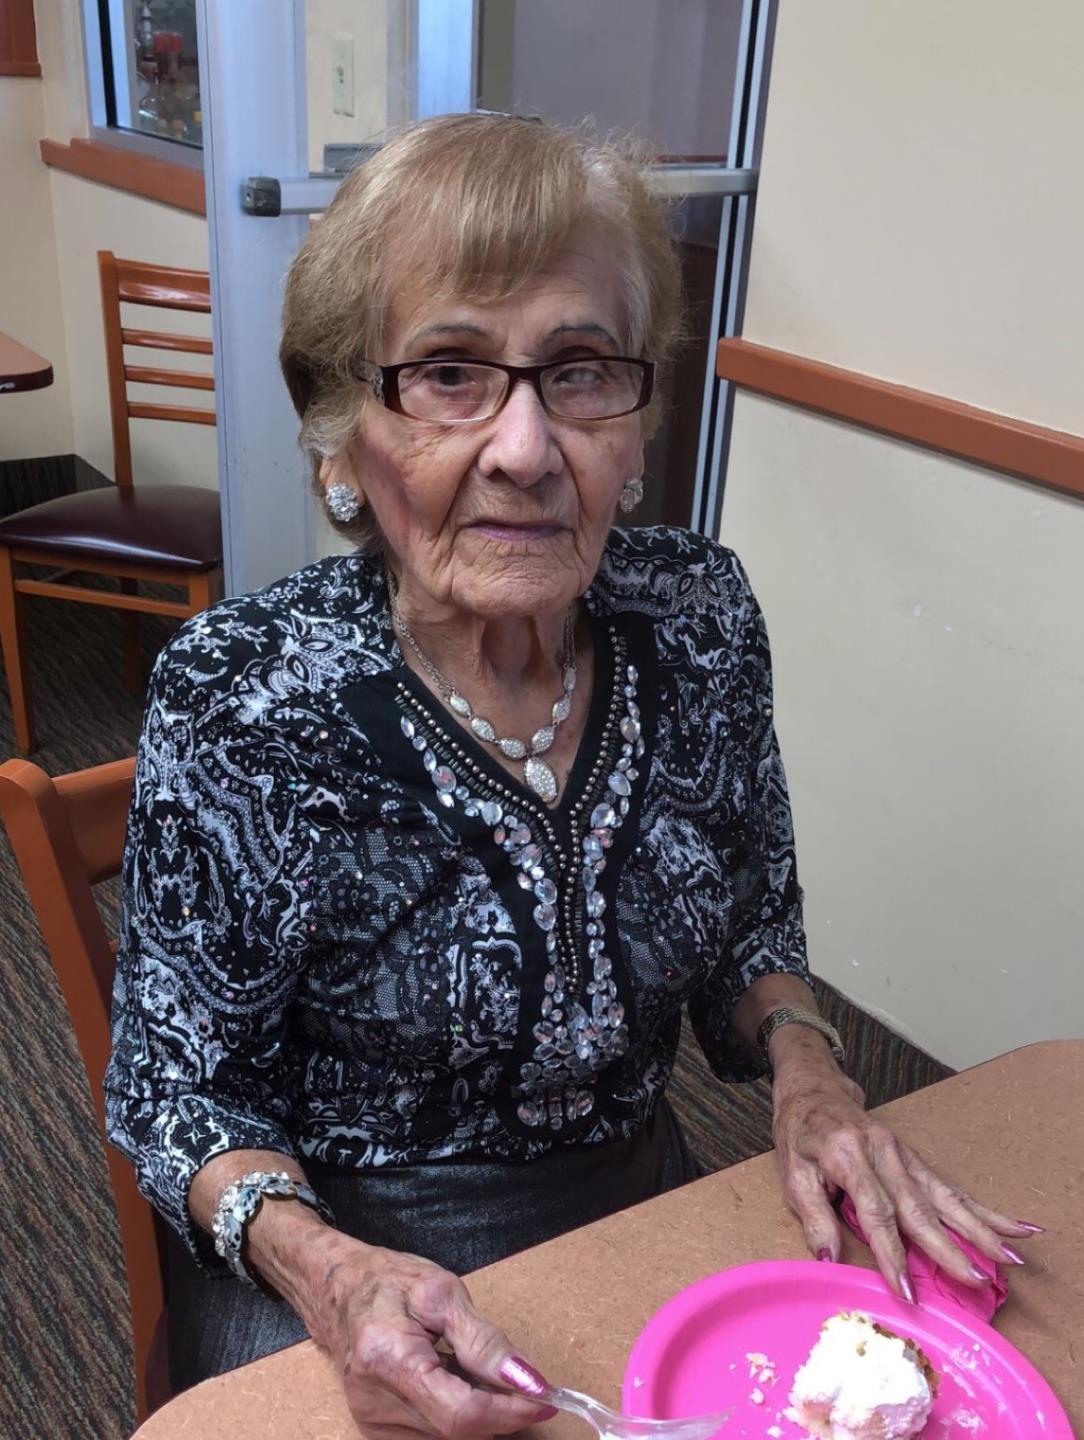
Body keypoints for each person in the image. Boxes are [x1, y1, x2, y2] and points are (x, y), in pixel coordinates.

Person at [105, 113, 1040, 1437]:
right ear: (341, 437)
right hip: (334, 1253)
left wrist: (813, 1075)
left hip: (634, 1198)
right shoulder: (246, 697)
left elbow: (749, 931)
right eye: (449, 374)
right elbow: (177, 1093)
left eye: (581, 371)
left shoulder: (698, 618)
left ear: (640, 424)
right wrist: (331, 1270)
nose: (527, 448)